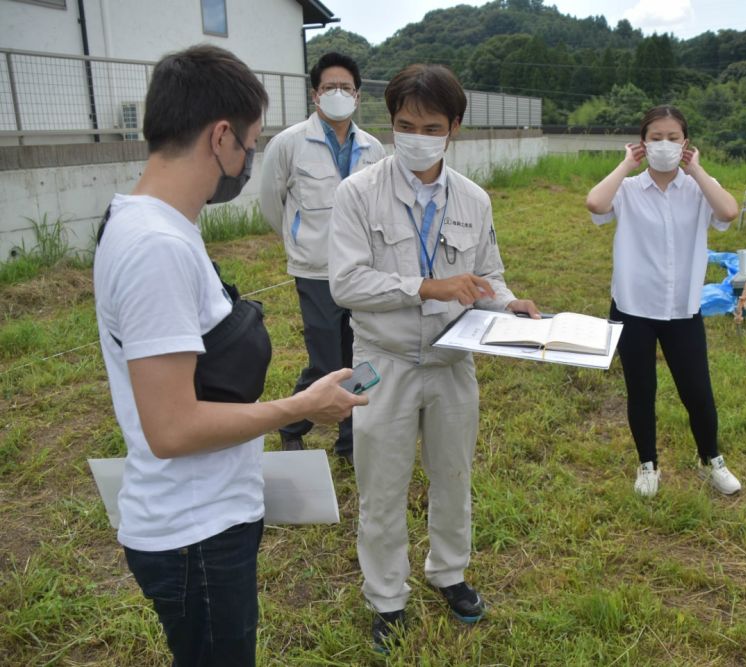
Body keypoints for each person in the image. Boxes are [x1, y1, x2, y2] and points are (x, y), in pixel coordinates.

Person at [92, 45, 367, 666]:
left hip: (204, 519)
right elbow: (172, 426)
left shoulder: (151, 226)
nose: (248, 161)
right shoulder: (156, 247)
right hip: (194, 536)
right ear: (221, 137)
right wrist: (298, 407)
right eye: (250, 143)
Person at [328, 63, 540, 653]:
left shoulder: (473, 199)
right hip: (383, 360)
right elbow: (345, 283)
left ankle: (449, 572)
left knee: (453, 476)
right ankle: (386, 598)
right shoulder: (358, 194)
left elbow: (488, 274)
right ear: (390, 123)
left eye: (429, 125)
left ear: (454, 128)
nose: (415, 135)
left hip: (452, 361)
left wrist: (508, 300)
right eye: (403, 124)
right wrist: (425, 287)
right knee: (381, 483)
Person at [584, 104, 742, 498]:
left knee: (698, 392)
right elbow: (595, 204)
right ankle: (647, 464)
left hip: (682, 308)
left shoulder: (698, 188)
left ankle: (712, 460)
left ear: (686, 144)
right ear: (642, 143)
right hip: (633, 307)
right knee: (641, 391)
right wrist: (625, 165)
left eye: (673, 138)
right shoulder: (629, 189)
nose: (665, 145)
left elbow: (729, 211)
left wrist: (698, 171)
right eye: (656, 137)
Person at [260, 51, 386, 461]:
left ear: (358, 96)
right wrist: (303, 240)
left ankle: (349, 442)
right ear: (315, 94)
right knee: (327, 360)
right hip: (315, 272)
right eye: (329, 87)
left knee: (360, 358)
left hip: (362, 271)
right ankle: (292, 422)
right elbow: (271, 206)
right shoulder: (289, 144)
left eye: (345, 88)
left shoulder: (373, 148)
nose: (337, 94)